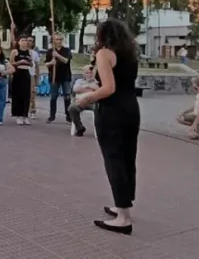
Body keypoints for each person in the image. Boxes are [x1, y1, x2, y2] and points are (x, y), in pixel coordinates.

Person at [74, 18, 141, 235]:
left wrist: (87, 98)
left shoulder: (104, 53)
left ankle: (123, 217)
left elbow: (109, 88)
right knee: (127, 157)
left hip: (112, 111)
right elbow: (120, 83)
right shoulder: (130, 53)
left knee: (114, 159)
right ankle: (124, 202)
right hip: (131, 108)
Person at [45, 34, 73, 124]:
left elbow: (66, 61)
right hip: (54, 76)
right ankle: (52, 116)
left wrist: (57, 55)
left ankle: (68, 116)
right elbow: (46, 64)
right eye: (57, 39)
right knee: (53, 96)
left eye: (60, 39)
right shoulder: (50, 51)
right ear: (53, 41)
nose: (59, 41)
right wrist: (51, 63)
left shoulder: (67, 50)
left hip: (65, 76)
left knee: (67, 96)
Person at [67, 65, 99, 136]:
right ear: (83, 74)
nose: (89, 75)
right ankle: (80, 128)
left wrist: (84, 88)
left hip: (93, 102)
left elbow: (98, 90)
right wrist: (90, 87)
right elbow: (76, 89)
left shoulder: (97, 81)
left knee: (100, 109)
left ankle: (100, 130)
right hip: (80, 101)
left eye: (90, 73)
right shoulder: (79, 81)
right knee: (72, 108)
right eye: (87, 73)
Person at [9, 36, 34, 126]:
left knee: (26, 94)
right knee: (18, 94)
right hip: (18, 72)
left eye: (26, 41)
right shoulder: (15, 51)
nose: (24, 42)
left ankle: (25, 115)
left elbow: (31, 63)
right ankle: (18, 115)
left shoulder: (29, 52)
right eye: (22, 40)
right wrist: (19, 62)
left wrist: (28, 62)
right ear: (19, 42)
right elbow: (11, 62)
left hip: (26, 72)